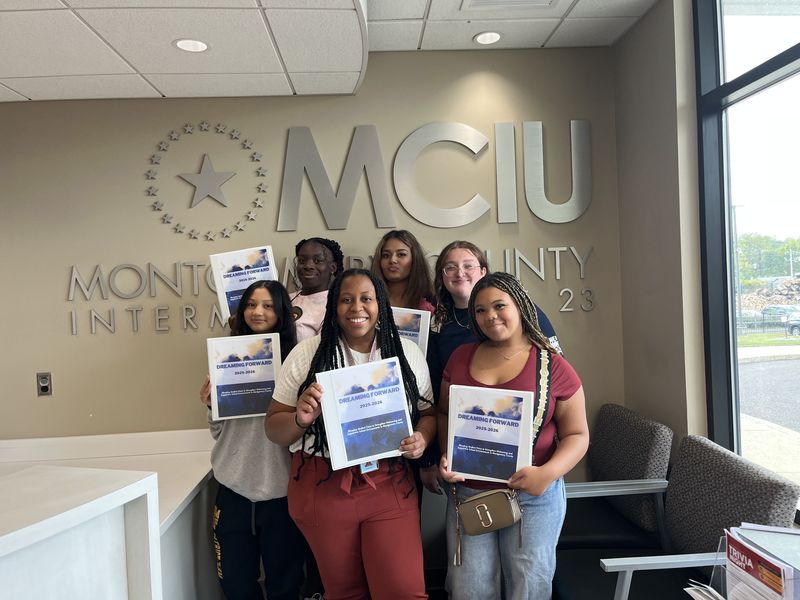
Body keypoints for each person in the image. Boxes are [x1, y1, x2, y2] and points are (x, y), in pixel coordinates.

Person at [265, 269, 435, 600]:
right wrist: (300, 418)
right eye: (346, 299)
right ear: (334, 306)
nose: (356, 307)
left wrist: (423, 438)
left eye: (366, 299)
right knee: (344, 593)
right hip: (322, 485)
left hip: (389, 483)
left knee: (403, 591)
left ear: (380, 305)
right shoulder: (306, 354)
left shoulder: (406, 353)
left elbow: (428, 414)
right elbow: (274, 429)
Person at [438, 271, 589, 600]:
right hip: (469, 493)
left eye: (498, 305)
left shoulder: (553, 366)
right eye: (480, 310)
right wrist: (445, 454)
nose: (490, 316)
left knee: (528, 587)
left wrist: (546, 474)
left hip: (533, 497)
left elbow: (578, 434)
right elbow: (445, 413)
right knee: (469, 588)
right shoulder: (460, 358)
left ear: (520, 306)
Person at [421, 241, 562, 494]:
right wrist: (441, 454)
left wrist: (551, 467)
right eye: (450, 267)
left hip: (527, 466)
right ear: (442, 277)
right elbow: (438, 398)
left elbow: (556, 383)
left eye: (468, 265)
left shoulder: (528, 313)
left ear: (483, 271)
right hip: (468, 462)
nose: (459, 272)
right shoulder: (437, 324)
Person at [200, 280, 305, 600]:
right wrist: (210, 406)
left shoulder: (298, 361)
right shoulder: (225, 357)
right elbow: (219, 431)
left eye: (268, 305)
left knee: (285, 585)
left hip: (282, 491)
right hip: (233, 488)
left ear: (282, 313)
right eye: (251, 304)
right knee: (235, 584)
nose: (258, 311)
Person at [291, 237, 345, 341]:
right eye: (302, 260)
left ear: (332, 268)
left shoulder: (335, 305)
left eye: (318, 261)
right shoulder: (285, 298)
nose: (308, 266)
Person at [370, 229, 435, 312]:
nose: (392, 260)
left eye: (401, 254)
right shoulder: (367, 302)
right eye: (386, 255)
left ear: (415, 259)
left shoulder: (430, 307)